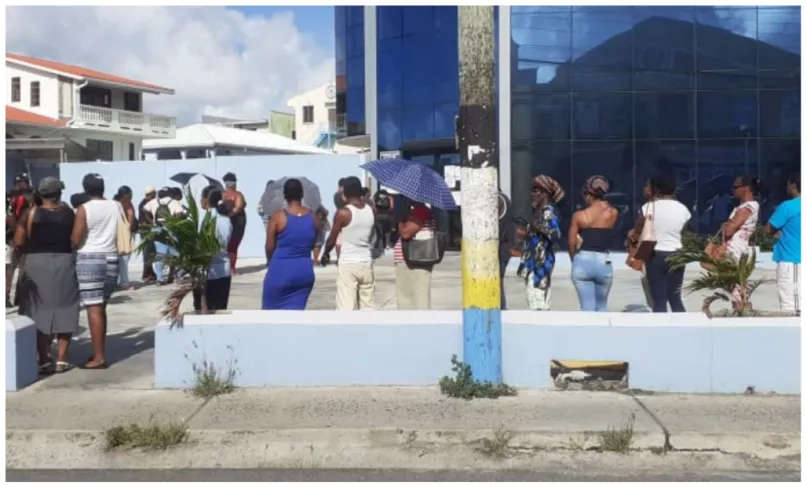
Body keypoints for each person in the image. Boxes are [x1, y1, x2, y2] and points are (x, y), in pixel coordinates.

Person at [14, 177, 79, 374]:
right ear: (59, 193)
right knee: (66, 308)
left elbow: (18, 241)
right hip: (64, 261)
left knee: (37, 310)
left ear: (41, 194)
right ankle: (62, 359)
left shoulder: (31, 213)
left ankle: (43, 359)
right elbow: (75, 239)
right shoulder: (69, 213)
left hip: (36, 262)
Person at [71, 173, 122, 370]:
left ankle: (99, 357)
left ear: (86, 189)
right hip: (111, 258)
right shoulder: (115, 205)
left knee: (93, 308)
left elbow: (76, 239)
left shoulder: (84, 209)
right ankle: (99, 351)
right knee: (101, 307)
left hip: (90, 257)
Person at [630, 174, 691, 313]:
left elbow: (638, 231)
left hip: (655, 254)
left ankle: (661, 329)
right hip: (678, 254)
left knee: (659, 299)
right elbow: (684, 233)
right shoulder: (683, 209)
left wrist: (632, 236)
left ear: (656, 189)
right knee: (675, 298)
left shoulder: (648, 207)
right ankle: (683, 327)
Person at [262, 179, 319, 310]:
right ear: (302, 194)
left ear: (285, 195)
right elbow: (312, 243)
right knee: (296, 317)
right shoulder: (313, 217)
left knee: (270, 316)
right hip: (304, 272)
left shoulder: (278, 216)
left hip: (281, 270)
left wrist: (271, 262)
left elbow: (269, 246)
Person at [321, 176, 376, 310]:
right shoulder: (371, 210)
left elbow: (332, 239)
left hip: (349, 264)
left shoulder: (343, 213)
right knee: (368, 307)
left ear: (345, 194)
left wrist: (326, 254)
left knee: (346, 308)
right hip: (366, 262)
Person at [568, 175, 618, 312]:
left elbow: (571, 242)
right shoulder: (613, 213)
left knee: (587, 307)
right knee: (602, 307)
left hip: (583, 260)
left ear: (589, 194)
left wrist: (574, 260)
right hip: (604, 261)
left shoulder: (579, 216)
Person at [520, 176, 564, 311]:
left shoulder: (548, 212)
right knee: (536, 299)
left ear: (544, 193)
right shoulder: (537, 211)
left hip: (541, 263)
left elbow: (555, 235)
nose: (532, 194)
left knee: (537, 302)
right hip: (533, 262)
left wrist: (536, 227)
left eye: (535, 191)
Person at [723, 175, 761, 310]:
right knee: (737, 287)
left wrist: (727, 225)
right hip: (735, 248)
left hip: (737, 250)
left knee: (737, 288)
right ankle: (741, 313)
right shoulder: (743, 207)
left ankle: (742, 314)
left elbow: (728, 230)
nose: (733, 190)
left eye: (736, 187)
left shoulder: (748, 207)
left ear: (746, 188)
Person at [765, 173, 801, 314]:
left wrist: (778, 231)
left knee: (791, 305)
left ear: (793, 185)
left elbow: (768, 229)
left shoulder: (788, 206)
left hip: (792, 261)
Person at [394, 197, 437, 310]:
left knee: (414, 301)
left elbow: (405, 232)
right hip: (410, 260)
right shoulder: (417, 211)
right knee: (409, 299)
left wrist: (399, 218)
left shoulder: (420, 211)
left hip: (413, 260)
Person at [195, 186, 233, 312]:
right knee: (220, 312)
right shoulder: (226, 221)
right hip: (223, 271)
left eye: (201, 197)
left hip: (204, 272)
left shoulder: (199, 219)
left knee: (201, 313)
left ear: (206, 200)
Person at [144, 187, 185, 285]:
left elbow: (144, 210)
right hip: (171, 229)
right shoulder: (174, 202)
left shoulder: (153, 202)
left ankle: (160, 278)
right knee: (175, 253)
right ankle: (177, 276)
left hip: (157, 229)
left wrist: (152, 222)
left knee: (160, 255)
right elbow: (180, 214)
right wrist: (173, 223)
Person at [6, 173, 33, 307]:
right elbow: (9, 217)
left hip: (14, 238)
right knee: (18, 267)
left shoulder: (12, 197)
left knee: (13, 267)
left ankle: (13, 296)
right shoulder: (26, 199)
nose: (23, 184)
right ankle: (15, 296)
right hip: (18, 238)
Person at [221, 173, 246, 275]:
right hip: (238, 221)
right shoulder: (238, 194)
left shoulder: (222, 195)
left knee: (226, 245)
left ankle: (226, 267)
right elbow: (239, 207)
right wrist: (230, 215)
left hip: (226, 220)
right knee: (233, 245)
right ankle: (231, 268)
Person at [113, 186, 137, 291]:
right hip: (125, 233)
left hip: (115, 232)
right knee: (124, 259)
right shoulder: (127, 202)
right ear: (127, 194)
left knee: (118, 259)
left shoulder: (114, 202)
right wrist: (129, 227)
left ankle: (118, 281)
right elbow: (130, 214)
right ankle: (124, 282)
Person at [138, 186, 158, 283]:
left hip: (147, 230)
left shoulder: (145, 202)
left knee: (150, 252)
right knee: (148, 252)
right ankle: (147, 274)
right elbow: (148, 217)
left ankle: (150, 272)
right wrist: (154, 224)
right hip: (146, 230)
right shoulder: (145, 204)